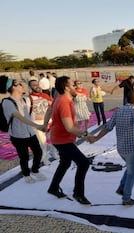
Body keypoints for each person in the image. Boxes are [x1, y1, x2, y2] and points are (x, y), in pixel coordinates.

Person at [91, 92, 134, 205]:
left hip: (121, 148)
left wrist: (96, 138)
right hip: (132, 147)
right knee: (132, 172)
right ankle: (126, 198)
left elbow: (108, 127)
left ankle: (121, 188)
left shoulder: (118, 111)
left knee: (130, 167)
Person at [44, 76, 94, 205]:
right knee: (83, 163)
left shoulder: (60, 97)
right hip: (62, 140)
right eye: (72, 85)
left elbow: (49, 110)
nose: (75, 87)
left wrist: (45, 125)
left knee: (65, 163)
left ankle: (53, 187)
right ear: (66, 87)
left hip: (60, 138)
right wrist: (85, 135)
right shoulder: (64, 102)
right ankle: (78, 193)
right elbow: (70, 127)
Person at [0, 76, 47, 183]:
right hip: (18, 135)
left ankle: (35, 170)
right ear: (14, 87)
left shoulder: (26, 99)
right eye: (20, 84)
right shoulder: (7, 102)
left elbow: (31, 114)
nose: (22, 86)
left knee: (38, 152)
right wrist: (38, 126)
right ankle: (26, 174)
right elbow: (20, 117)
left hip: (30, 132)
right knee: (24, 156)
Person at [28, 79, 55, 165]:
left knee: (54, 139)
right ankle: (45, 158)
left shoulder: (45, 95)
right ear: (30, 87)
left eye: (37, 84)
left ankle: (54, 153)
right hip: (38, 124)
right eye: (34, 85)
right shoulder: (29, 98)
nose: (37, 86)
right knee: (42, 143)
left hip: (49, 122)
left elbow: (52, 106)